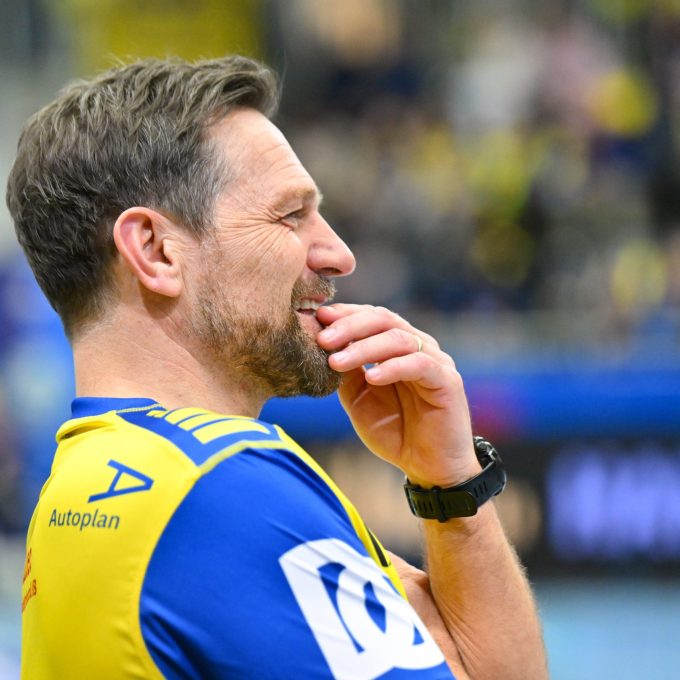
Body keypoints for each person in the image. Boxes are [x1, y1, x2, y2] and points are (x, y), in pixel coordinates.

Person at [6, 56, 547, 679]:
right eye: (290, 215)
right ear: (155, 250)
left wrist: (448, 482)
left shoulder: (83, 484)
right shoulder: (224, 486)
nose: (339, 254)